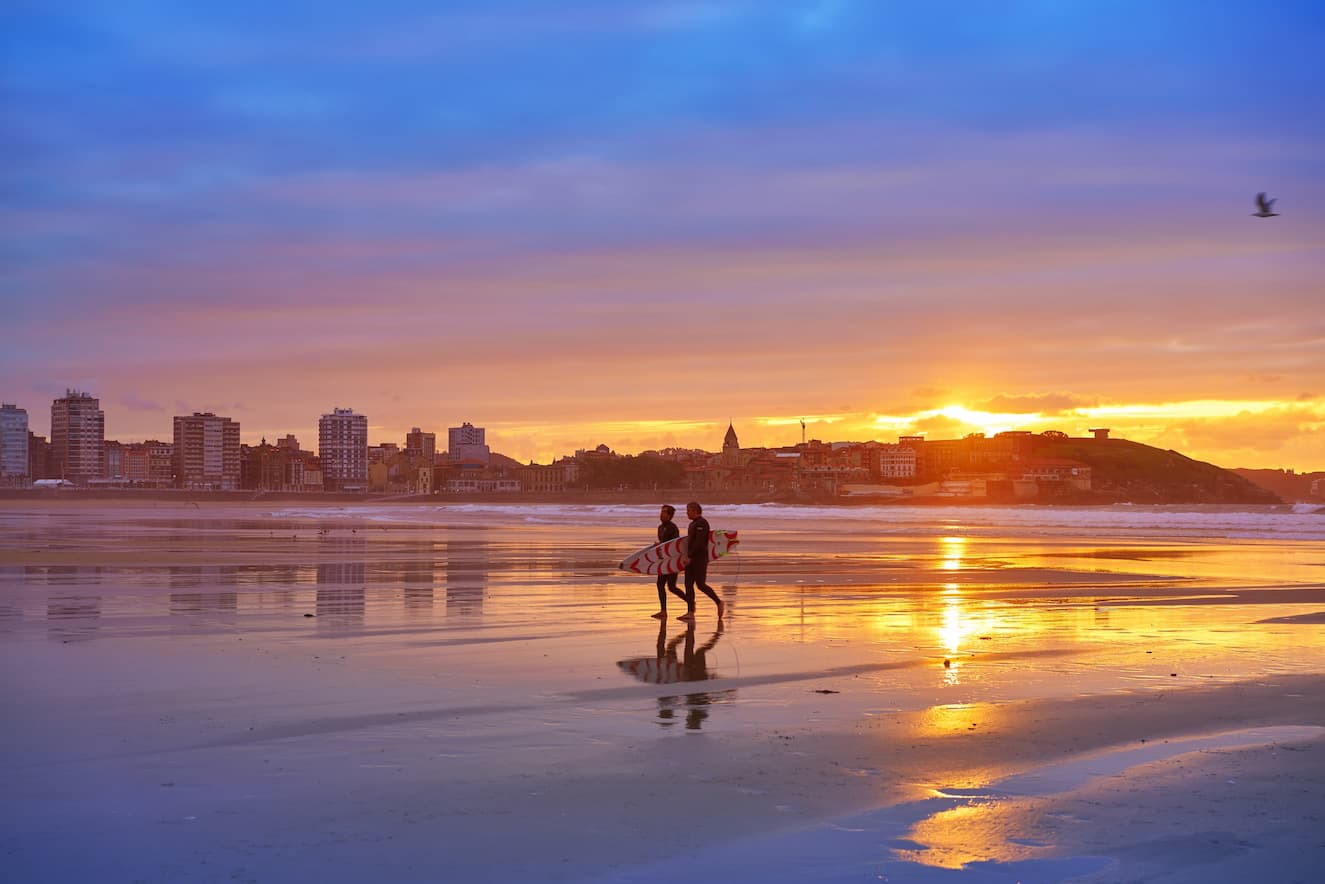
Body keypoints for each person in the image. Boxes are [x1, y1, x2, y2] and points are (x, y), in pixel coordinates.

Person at [678, 500, 724, 621]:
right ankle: (690, 612)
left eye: (688, 511)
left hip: (699, 559)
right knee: (688, 585)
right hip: (690, 558)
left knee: (700, 585)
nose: (686, 513)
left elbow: (699, 543)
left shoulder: (702, 523)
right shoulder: (692, 524)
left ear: (694, 511)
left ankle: (719, 602)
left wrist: (690, 556)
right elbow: (690, 542)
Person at [652, 504, 687, 619]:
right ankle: (663, 611)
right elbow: (663, 544)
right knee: (660, 584)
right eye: (661, 512)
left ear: (670, 515)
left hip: (672, 562)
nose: (661, 514)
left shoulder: (672, 528)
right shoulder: (660, 528)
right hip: (663, 562)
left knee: (671, 587)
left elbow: (675, 545)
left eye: (664, 512)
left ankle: (690, 602)